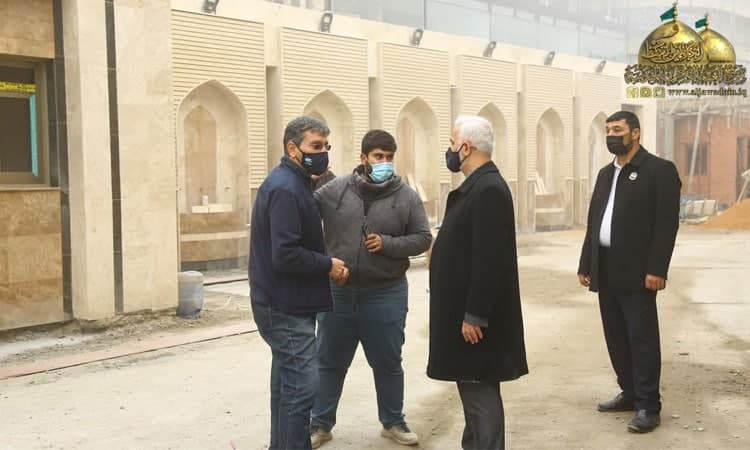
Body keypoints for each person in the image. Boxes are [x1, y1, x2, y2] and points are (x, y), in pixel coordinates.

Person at [309, 129, 432, 448]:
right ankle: (320, 424)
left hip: (386, 292)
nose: (385, 163)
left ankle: (393, 421)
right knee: (329, 360)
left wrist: (389, 244)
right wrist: (323, 261)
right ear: (363, 158)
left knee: (388, 361)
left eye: (390, 157)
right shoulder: (334, 191)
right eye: (379, 157)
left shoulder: (406, 196)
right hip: (338, 292)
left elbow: (423, 237)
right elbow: (303, 215)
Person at [427, 115, 528, 450]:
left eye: (452, 144)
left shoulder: (488, 190)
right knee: (472, 389)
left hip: (474, 321)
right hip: (465, 313)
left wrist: (475, 314)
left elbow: (490, 259)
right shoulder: (477, 187)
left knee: (480, 393)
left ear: (466, 148)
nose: (449, 150)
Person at [249, 116, 350, 450]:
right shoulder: (286, 188)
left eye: (325, 146)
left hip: (284, 301)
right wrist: (327, 265)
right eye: (315, 146)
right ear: (293, 149)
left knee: (287, 384)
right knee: (302, 387)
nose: (322, 153)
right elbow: (285, 254)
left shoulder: (294, 183)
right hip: (285, 306)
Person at [578, 110, 681, 433]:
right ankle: (630, 391)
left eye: (618, 129)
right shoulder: (605, 174)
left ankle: (649, 405)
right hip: (606, 266)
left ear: (635, 133)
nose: (611, 135)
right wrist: (586, 262)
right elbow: (594, 221)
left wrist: (657, 268)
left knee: (641, 338)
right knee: (616, 336)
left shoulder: (659, 171)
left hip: (638, 271)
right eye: (608, 129)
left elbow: (666, 225)